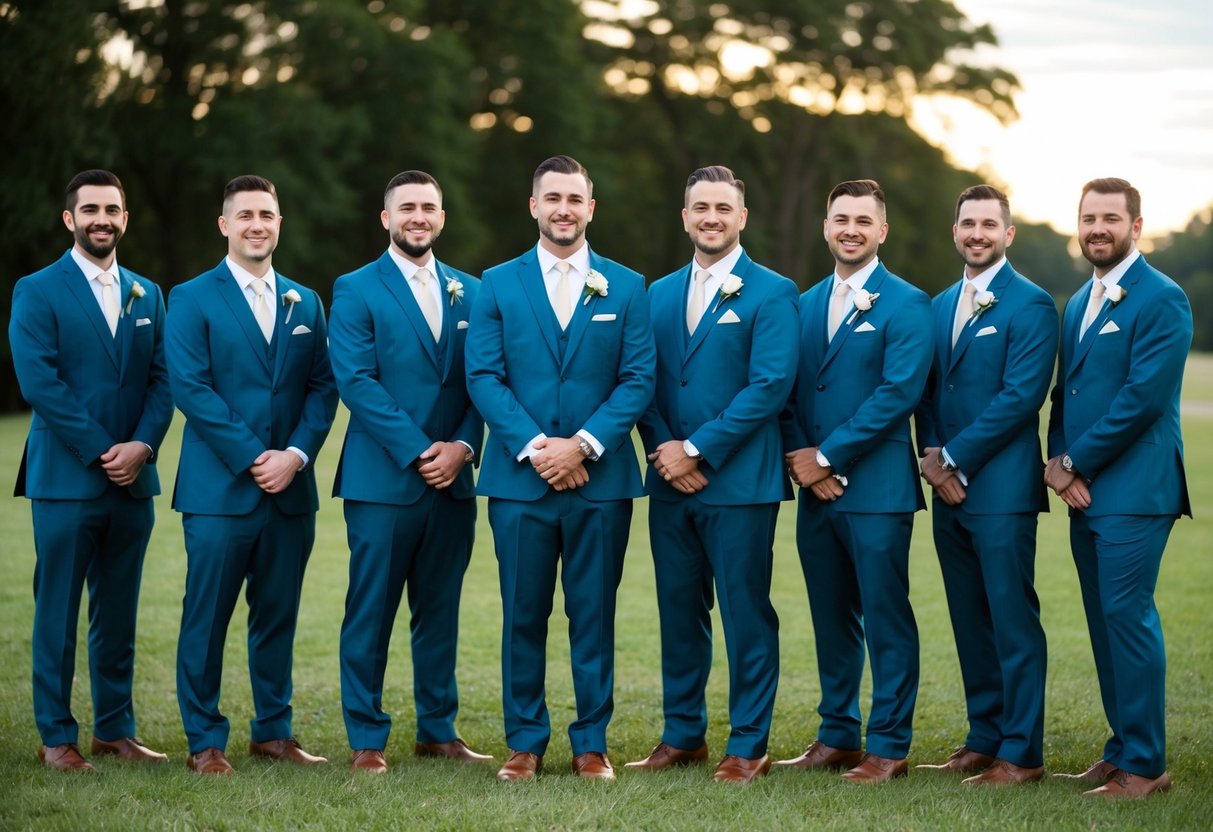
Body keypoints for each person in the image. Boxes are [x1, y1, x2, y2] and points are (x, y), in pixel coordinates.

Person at [465, 155, 655, 782]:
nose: (564, 209)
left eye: (575, 198)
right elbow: (484, 376)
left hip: (601, 482)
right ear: (534, 206)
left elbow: (637, 380)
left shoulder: (627, 286)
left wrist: (585, 445)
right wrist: (539, 448)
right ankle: (524, 742)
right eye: (553, 198)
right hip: (520, 481)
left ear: (590, 207)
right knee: (523, 611)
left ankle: (591, 743)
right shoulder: (497, 282)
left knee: (593, 612)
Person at [629, 165, 798, 784]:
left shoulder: (773, 292)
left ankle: (748, 744)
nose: (711, 218)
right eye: (700, 207)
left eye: (723, 208)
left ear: (741, 218)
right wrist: (664, 448)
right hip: (669, 483)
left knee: (746, 613)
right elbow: (640, 381)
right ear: (685, 216)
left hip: (740, 484)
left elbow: (769, 385)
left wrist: (697, 449)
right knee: (679, 611)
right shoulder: (657, 293)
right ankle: (682, 736)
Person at [165, 174, 338, 775]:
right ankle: (204, 739)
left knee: (278, 613)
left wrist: (295, 455)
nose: (257, 224)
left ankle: (273, 730)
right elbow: (191, 386)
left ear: (279, 223)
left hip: (292, 489)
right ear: (225, 225)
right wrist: (252, 455)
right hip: (219, 489)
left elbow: (323, 387)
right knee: (206, 614)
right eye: (245, 216)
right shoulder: (190, 298)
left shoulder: (305, 301)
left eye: (267, 214)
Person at [9, 169, 174, 772]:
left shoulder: (147, 293)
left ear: (125, 218)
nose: (102, 218)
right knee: (58, 611)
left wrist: (144, 447)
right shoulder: (37, 288)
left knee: (118, 611)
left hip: (134, 481)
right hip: (66, 477)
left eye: (112, 209)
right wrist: (107, 450)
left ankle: (115, 729)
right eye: (90, 209)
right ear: (69, 219)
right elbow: (40, 382)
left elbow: (163, 380)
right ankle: (57, 736)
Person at [329, 170, 489, 774]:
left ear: (441, 218)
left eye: (428, 207)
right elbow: (356, 381)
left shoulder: (471, 291)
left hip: (455, 479)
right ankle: (367, 737)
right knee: (370, 610)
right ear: (386, 218)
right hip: (383, 480)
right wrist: (424, 450)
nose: (418, 217)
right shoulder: (355, 288)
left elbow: (485, 380)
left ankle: (437, 729)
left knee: (439, 608)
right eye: (406, 208)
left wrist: (464, 447)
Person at [778, 179, 932, 784]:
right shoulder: (804, 302)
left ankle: (889, 744)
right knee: (830, 615)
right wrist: (802, 458)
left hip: (877, 491)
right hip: (816, 493)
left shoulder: (907, 303)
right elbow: (785, 390)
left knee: (886, 616)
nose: (851, 229)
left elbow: (899, 394)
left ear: (881, 231)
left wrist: (830, 457)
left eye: (863, 221)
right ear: (826, 226)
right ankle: (837, 734)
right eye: (841, 218)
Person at [1045, 177, 1191, 799]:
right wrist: (1057, 458)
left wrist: (1076, 461)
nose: (1097, 228)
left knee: (1127, 617)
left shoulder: (1163, 298)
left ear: (1136, 223)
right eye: (1088, 218)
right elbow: (1066, 391)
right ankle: (1121, 748)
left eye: (1110, 217)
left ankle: (1148, 766)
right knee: (1104, 623)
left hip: (1136, 489)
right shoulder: (1081, 300)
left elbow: (1142, 399)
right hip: (1086, 487)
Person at [914, 185, 1057, 785]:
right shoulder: (941, 302)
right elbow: (927, 389)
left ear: (1008, 234)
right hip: (946, 489)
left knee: (1010, 618)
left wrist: (951, 459)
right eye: (967, 223)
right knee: (969, 618)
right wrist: (929, 454)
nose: (977, 233)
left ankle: (1021, 752)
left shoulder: (1032, 305)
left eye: (988, 225)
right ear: (956, 231)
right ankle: (984, 735)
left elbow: (1020, 399)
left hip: (999, 491)